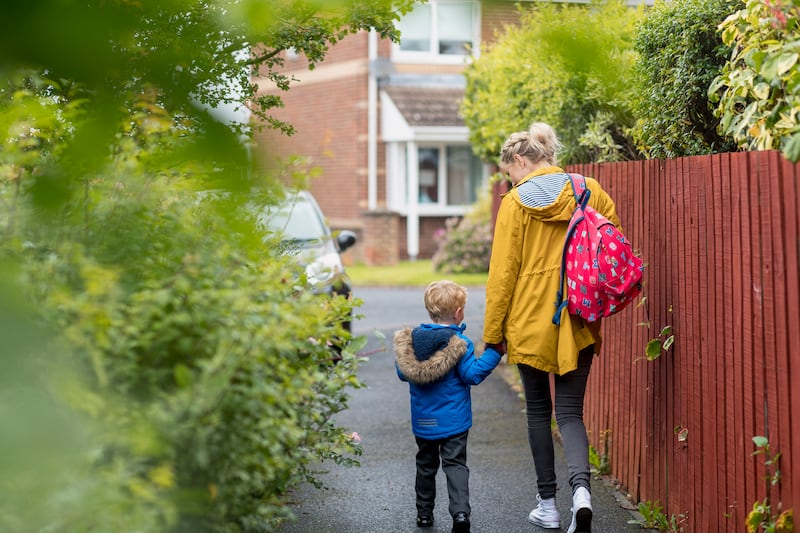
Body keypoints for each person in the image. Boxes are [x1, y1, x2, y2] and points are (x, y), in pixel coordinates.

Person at [483, 123, 623, 533]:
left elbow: (502, 276)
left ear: (521, 161)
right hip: (578, 315)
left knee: (538, 413)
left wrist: (493, 336)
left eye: (511, 173)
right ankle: (582, 493)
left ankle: (548, 506)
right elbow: (610, 243)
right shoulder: (588, 189)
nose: (512, 181)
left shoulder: (514, 204)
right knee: (570, 413)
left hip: (529, 322)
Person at [394, 280, 503, 533]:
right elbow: (472, 375)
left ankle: (424, 514)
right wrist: (494, 353)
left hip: (423, 423)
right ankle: (461, 515)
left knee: (425, 465)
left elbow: (402, 373)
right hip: (454, 422)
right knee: (454, 465)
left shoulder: (412, 342)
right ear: (458, 313)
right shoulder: (459, 344)